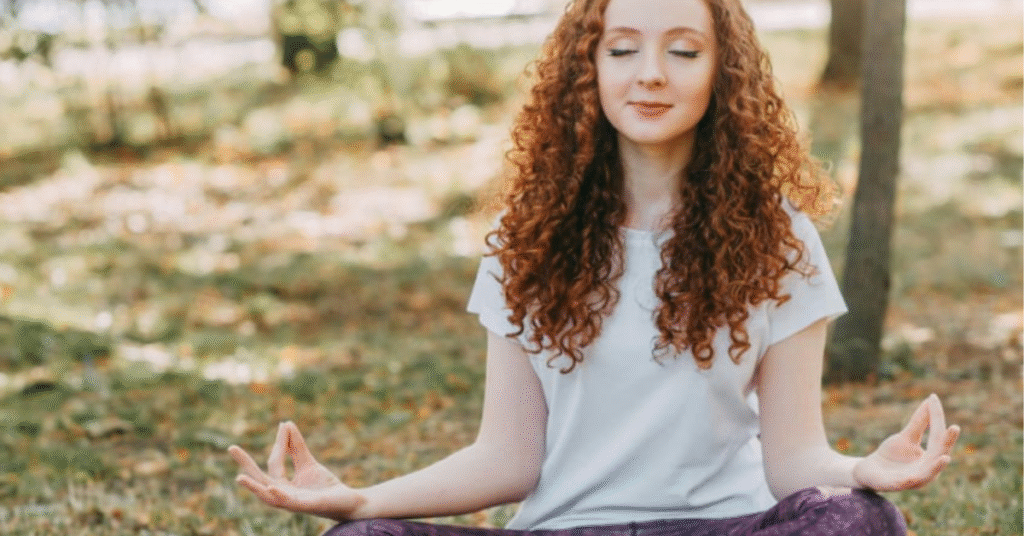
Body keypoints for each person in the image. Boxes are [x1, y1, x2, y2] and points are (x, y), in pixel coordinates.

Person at [228, 0, 961, 534]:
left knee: (862, 522)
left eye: (682, 49)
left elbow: (794, 457)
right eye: (621, 50)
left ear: (722, 72)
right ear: (588, 67)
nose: (650, 75)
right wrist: (362, 500)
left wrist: (862, 471)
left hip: (726, 527)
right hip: (565, 528)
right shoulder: (526, 239)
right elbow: (506, 458)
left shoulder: (778, 236)